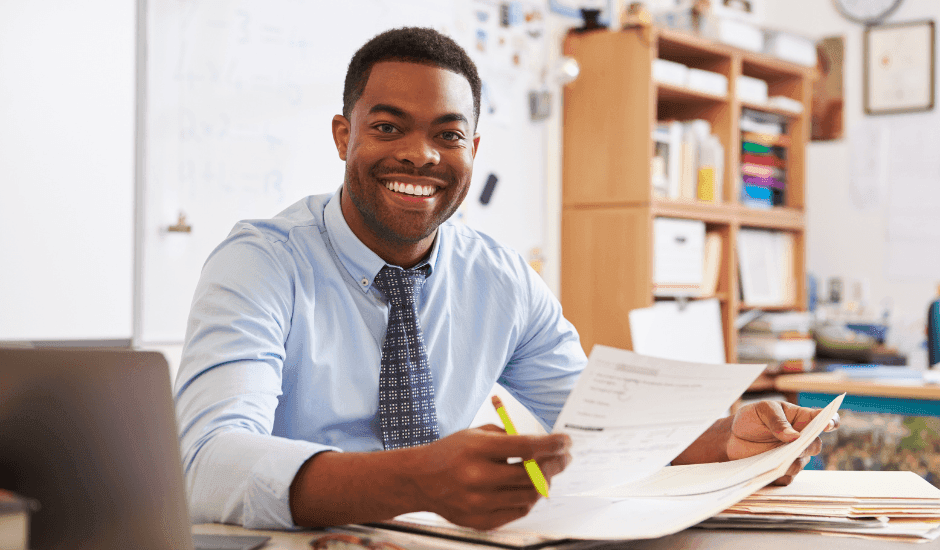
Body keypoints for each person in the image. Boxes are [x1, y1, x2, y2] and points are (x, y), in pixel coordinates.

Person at [174, 26, 837, 533]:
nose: (420, 154)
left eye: (448, 134)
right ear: (343, 135)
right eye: (386, 127)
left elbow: (596, 428)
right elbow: (205, 462)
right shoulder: (261, 262)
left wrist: (729, 438)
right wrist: (413, 482)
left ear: (473, 152)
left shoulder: (500, 278)